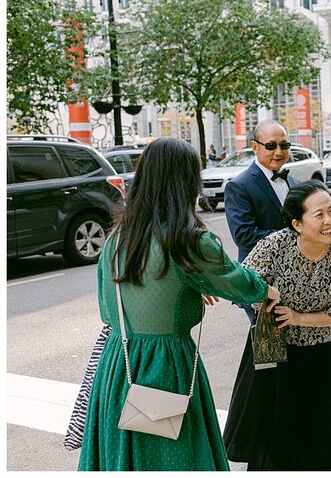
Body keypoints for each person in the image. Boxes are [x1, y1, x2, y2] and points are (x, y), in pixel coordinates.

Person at [78, 138, 277, 471]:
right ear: (186, 182)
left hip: (117, 364)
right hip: (165, 365)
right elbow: (237, 283)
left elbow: (107, 308)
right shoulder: (189, 241)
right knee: (175, 456)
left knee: (123, 457)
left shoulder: (116, 238)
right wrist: (268, 291)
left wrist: (180, 290)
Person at [223, 180, 331, 471]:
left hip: (322, 352)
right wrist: (263, 300)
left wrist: (299, 318)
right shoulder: (274, 246)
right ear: (297, 224)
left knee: (318, 427)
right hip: (277, 352)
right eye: (319, 214)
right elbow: (242, 285)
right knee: (277, 429)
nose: (329, 220)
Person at [224, 120, 298, 322]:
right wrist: (294, 238)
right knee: (268, 349)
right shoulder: (239, 186)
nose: (278, 151)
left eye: (284, 145)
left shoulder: (294, 182)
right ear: (254, 147)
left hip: (294, 280)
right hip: (259, 282)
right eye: (271, 145)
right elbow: (243, 235)